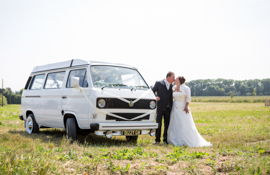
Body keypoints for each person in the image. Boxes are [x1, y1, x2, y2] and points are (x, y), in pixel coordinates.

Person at [167, 76, 212, 147]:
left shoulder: (186, 88)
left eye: (176, 78)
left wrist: (186, 107)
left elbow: (188, 99)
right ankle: (176, 139)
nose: (174, 79)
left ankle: (186, 140)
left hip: (183, 108)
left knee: (184, 124)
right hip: (175, 108)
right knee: (175, 124)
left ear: (180, 80)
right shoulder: (173, 88)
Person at [152, 71, 175, 144]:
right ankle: (157, 140)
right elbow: (152, 91)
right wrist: (156, 96)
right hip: (160, 107)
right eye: (173, 77)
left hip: (168, 108)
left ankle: (165, 140)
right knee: (158, 124)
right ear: (168, 77)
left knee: (167, 125)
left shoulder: (173, 85)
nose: (174, 79)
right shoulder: (158, 83)